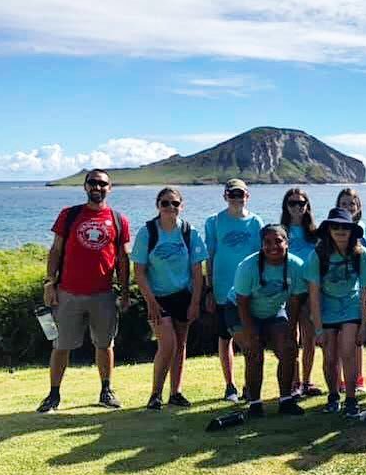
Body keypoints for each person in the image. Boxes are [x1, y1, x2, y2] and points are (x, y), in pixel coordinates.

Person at [37, 169, 131, 413]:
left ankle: (106, 391)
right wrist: (50, 283)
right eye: (93, 183)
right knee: (61, 345)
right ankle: (53, 395)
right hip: (68, 293)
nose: (97, 188)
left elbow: (122, 259)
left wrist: (124, 291)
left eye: (102, 184)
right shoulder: (69, 215)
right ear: (85, 186)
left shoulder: (119, 220)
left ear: (110, 188)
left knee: (104, 344)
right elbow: (55, 251)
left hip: (103, 294)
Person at [131, 187, 207, 410]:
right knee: (168, 344)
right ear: (158, 205)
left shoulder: (188, 232)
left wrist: (195, 302)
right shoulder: (148, 232)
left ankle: (176, 392)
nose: (170, 207)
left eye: (175, 203)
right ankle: (155, 394)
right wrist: (151, 302)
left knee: (180, 345)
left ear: (181, 206)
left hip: (183, 295)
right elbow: (139, 271)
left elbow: (196, 269)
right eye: (165, 203)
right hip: (158, 298)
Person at [225, 224, 307, 416]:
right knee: (254, 352)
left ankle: (286, 400)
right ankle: (254, 403)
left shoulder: (296, 266)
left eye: (278, 241)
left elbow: (295, 303)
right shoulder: (247, 266)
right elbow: (242, 302)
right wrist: (251, 334)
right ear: (261, 245)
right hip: (238, 310)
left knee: (288, 349)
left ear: (287, 242)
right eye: (267, 242)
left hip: (272, 312)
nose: (273, 246)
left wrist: (291, 332)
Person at [305, 208, 366, 417]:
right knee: (329, 357)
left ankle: (351, 398)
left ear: (352, 230)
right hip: (326, 309)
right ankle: (333, 395)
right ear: (328, 230)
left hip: (351, 307)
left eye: (345, 227)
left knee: (348, 354)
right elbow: (314, 294)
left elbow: (365, 291)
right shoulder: (318, 255)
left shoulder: (361, 254)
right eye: (335, 227)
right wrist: (317, 328)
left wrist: (363, 325)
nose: (340, 230)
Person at [204, 179, 264, 403]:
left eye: (241, 194)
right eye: (232, 194)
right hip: (222, 290)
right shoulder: (214, 222)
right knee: (225, 337)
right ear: (225, 196)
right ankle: (230, 385)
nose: (237, 198)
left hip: (249, 292)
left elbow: (262, 257)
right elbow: (210, 257)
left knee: (251, 337)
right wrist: (208, 289)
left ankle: (251, 385)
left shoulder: (256, 222)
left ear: (247, 196)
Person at [280, 188, 322, 397]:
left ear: (307, 206)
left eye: (301, 203)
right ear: (286, 207)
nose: (297, 207)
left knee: (309, 338)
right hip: (287, 291)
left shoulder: (315, 233)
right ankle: (294, 382)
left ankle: (307, 381)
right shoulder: (281, 231)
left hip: (310, 290)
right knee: (290, 337)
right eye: (292, 203)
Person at [336, 188, 366, 392]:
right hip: (337, 293)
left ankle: (358, 379)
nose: (348, 207)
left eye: (351, 204)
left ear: (358, 207)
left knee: (356, 340)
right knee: (339, 340)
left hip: (357, 292)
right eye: (344, 204)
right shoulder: (333, 228)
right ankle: (339, 379)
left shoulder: (362, 230)